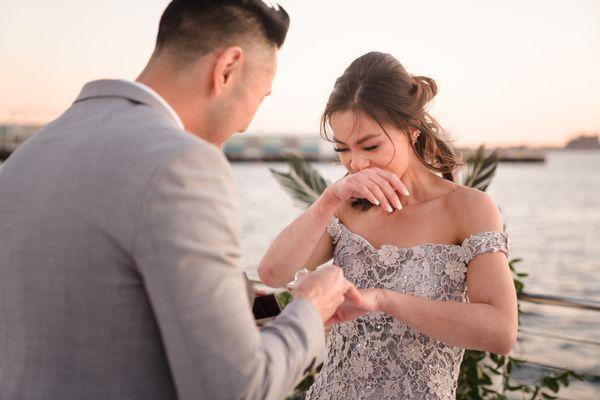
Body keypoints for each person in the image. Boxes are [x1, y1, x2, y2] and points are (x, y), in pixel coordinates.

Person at [0, 1, 365, 399]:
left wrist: (254, 305)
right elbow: (236, 388)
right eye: (260, 97)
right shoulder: (183, 163)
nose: (247, 123)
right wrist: (310, 309)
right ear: (227, 69)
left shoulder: (29, 155)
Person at [258, 51, 519, 399]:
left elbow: (501, 333)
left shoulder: (467, 208)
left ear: (411, 130)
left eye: (370, 145)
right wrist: (328, 200)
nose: (356, 163)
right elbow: (273, 273)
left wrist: (384, 300)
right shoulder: (345, 207)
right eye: (342, 149)